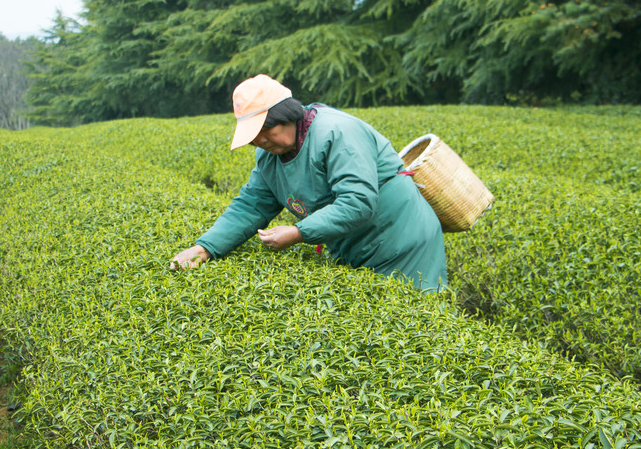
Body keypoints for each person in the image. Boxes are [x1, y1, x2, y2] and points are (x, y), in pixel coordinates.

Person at [169, 74, 448, 292]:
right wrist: (206, 247)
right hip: (352, 247)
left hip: (402, 241)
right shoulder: (269, 157)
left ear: (286, 115)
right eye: (254, 137)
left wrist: (297, 232)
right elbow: (251, 205)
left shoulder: (338, 133)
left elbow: (358, 203)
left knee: (418, 325)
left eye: (265, 132)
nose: (260, 141)